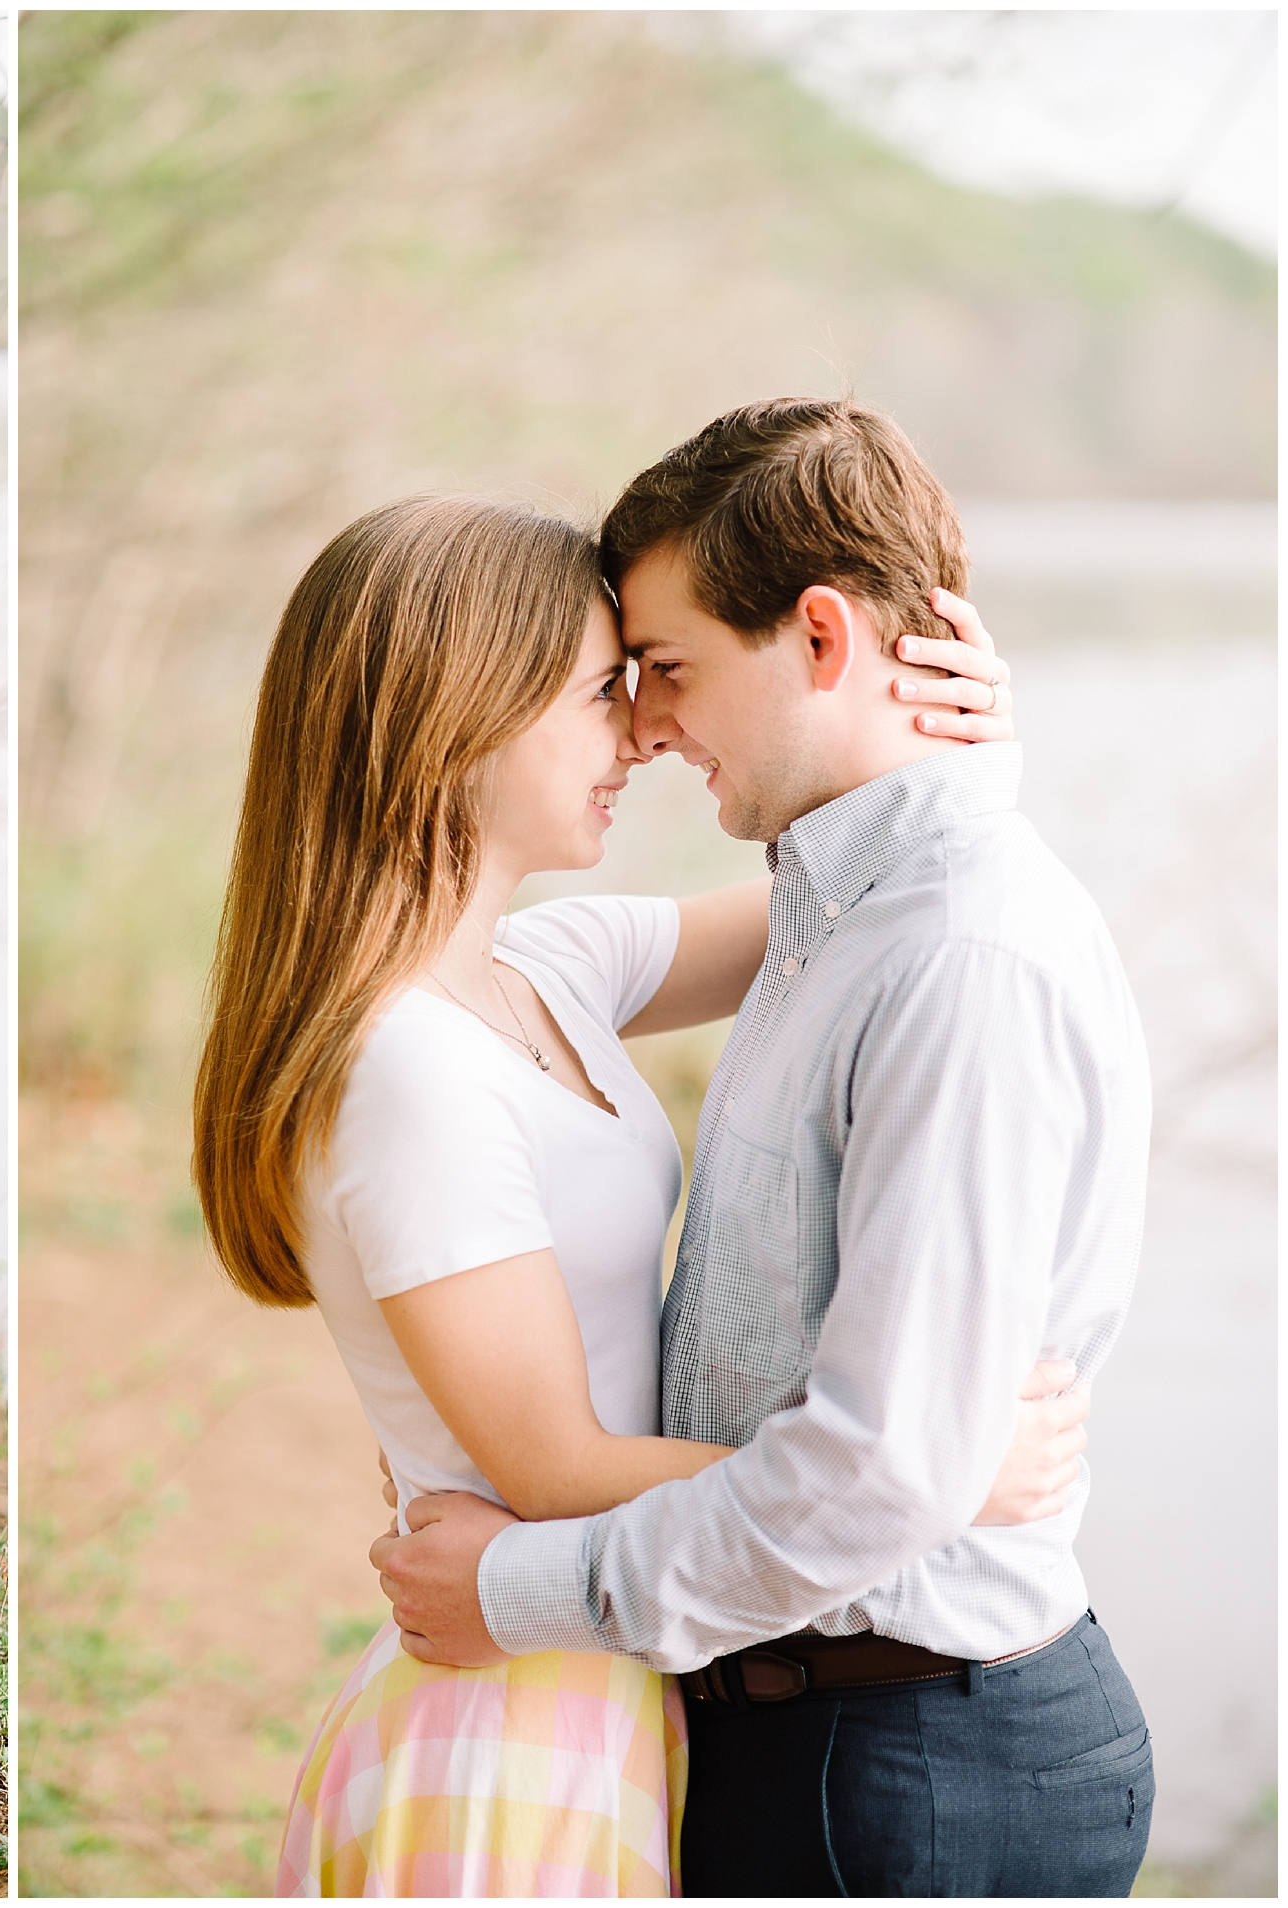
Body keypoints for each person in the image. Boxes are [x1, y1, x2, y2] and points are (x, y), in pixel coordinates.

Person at [191, 491, 1086, 1896]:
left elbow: (872, 886)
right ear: (457, 716)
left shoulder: (543, 971)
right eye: (601, 693)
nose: (644, 735)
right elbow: (547, 1464)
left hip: (604, 1662)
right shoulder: (407, 1071)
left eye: (646, 686)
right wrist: (929, 1478)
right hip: (505, 1703)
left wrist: (954, 737)